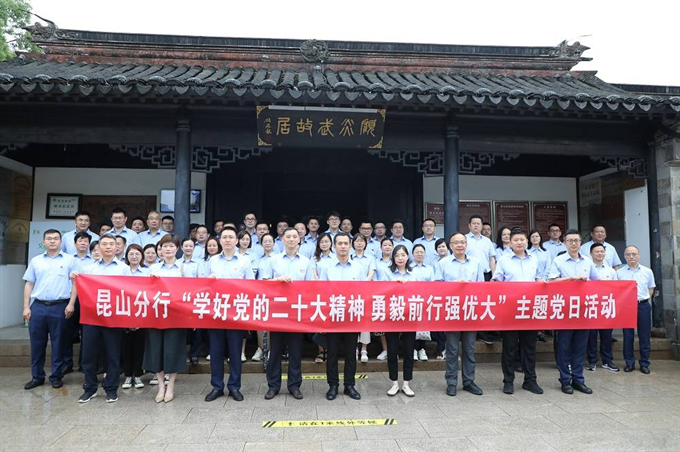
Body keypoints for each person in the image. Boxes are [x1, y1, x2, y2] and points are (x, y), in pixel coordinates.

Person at [71, 233, 131, 403]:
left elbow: (130, 291)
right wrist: (74, 280)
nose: (108, 247)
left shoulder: (123, 269)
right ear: (98, 247)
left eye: (112, 244)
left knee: (112, 354)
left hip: (114, 317)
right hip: (92, 317)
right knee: (88, 355)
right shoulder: (89, 269)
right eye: (104, 244)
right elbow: (81, 290)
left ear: (117, 247)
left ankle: (111, 389)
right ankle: (90, 388)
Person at [260, 227, 313, 400]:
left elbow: (311, 287)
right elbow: (263, 283)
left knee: (295, 351)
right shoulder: (273, 260)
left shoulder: (306, 261)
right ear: (282, 239)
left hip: (297, 312)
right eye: (288, 236)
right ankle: (273, 386)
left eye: (294, 236)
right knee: (275, 351)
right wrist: (277, 281)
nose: (291, 239)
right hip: (277, 312)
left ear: (299, 240)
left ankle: (294, 386)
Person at [204, 226, 255, 402]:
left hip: (236, 312)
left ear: (236, 240)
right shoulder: (212, 261)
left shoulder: (244, 261)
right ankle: (217, 386)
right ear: (220, 240)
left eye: (230, 237)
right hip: (216, 312)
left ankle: (234, 386)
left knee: (235, 352)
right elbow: (203, 285)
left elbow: (251, 286)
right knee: (216, 352)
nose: (227, 240)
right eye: (224, 237)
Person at [22, 229, 76, 391]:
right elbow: (29, 283)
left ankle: (56, 376)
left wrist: (71, 304)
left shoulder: (70, 260)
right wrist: (26, 307)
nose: (52, 241)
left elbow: (76, 284)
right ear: (43, 242)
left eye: (55, 238)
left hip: (60, 306)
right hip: (38, 306)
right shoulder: (36, 261)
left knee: (59, 343)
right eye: (49, 239)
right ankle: (37, 376)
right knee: (37, 344)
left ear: (61, 242)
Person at [492, 229, 544, 395]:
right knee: (510, 347)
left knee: (529, 347)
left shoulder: (534, 259)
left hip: (529, 309)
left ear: (527, 241)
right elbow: (496, 281)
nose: (519, 242)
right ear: (510, 243)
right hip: (510, 310)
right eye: (516, 240)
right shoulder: (504, 260)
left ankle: (530, 380)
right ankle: (508, 381)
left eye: (522, 239)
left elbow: (539, 278)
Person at [549, 229, 600, 395]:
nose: (573, 243)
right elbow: (551, 282)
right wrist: (572, 279)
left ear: (580, 243)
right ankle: (565, 380)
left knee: (580, 347)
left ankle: (578, 379)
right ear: (564, 243)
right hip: (564, 309)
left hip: (583, 310)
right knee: (563, 347)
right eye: (570, 240)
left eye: (576, 240)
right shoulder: (558, 261)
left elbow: (597, 282)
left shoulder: (587, 261)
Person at [319, 232, 367, 401]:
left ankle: (349, 385)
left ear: (350, 245)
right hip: (333, 316)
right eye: (339, 243)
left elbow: (364, 292)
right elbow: (322, 292)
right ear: (334, 246)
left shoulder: (358, 268)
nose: (343, 246)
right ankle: (332, 385)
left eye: (346, 243)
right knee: (332, 353)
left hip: (352, 316)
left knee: (350, 353)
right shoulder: (327, 267)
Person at [437, 232, 485, 397]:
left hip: (470, 310)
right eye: (456, 243)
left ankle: (469, 381)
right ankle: (451, 382)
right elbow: (436, 286)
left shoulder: (476, 262)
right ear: (450, 246)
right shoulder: (443, 263)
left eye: (462, 242)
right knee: (451, 349)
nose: (459, 245)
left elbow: (482, 286)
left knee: (469, 348)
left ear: (466, 244)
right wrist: (453, 285)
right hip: (452, 311)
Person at [144, 234, 189, 403]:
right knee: (156, 350)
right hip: (156, 315)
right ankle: (161, 385)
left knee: (173, 350)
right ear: (160, 249)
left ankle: (171, 385)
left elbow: (190, 291)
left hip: (176, 316)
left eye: (171, 246)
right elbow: (143, 291)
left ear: (177, 248)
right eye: (165, 246)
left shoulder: (183, 268)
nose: (168, 249)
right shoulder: (153, 268)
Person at [381, 245, 420, 397]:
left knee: (409, 351)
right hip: (392, 315)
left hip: (410, 316)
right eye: (397, 255)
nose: (400, 258)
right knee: (392, 351)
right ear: (393, 257)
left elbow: (420, 291)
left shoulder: (414, 272)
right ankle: (394, 383)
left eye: (403, 255)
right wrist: (393, 285)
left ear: (408, 256)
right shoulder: (387, 272)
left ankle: (406, 384)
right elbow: (380, 291)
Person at [617, 245, 656, 374]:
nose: (631, 256)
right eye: (628, 254)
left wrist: (643, 299)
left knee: (644, 335)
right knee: (628, 335)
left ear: (639, 255)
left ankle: (644, 363)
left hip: (642, 305)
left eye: (634, 254)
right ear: (624, 256)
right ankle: (629, 363)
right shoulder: (619, 273)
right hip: (626, 307)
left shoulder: (647, 271)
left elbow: (651, 289)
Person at [62, 231, 94, 375]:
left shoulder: (94, 260)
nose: (83, 243)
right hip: (70, 299)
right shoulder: (67, 260)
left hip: (88, 300)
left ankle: (83, 363)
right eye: (80, 241)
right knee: (68, 332)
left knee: (86, 332)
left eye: (85, 241)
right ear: (74, 244)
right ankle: (67, 363)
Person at [586, 243, 620, 373]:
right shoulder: (587, 269)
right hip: (591, 305)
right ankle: (592, 360)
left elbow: (616, 288)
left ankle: (607, 360)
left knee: (606, 335)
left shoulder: (611, 271)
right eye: (597, 251)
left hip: (606, 306)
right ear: (591, 254)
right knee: (591, 335)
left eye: (602, 251)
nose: (600, 254)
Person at [121, 244, 148, 390]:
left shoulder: (147, 272)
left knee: (139, 346)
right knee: (126, 347)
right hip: (124, 312)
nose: (134, 257)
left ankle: (137, 375)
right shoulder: (122, 271)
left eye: (137, 254)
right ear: (126, 256)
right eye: (131, 254)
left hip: (141, 313)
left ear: (142, 256)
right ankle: (127, 375)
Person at [411, 244, 440, 361]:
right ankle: (413, 349)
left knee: (423, 325)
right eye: (417, 252)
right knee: (412, 325)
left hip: (425, 300)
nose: (419, 254)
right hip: (412, 299)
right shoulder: (409, 267)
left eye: (421, 252)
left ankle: (422, 349)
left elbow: (432, 284)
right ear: (412, 254)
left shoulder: (429, 268)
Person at [351, 234, 377, 363]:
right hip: (351, 293)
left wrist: (363, 283)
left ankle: (364, 349)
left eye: (362, 241)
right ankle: (355, 348)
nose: (359, 243)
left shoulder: (370, 258)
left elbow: (371, 273)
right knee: (354, 320)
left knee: (365, 320)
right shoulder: (349, 257)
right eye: (357, 241)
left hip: (366, 292)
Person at [465, 215, 496, 280]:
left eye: (478, 224)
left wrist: (494, 276)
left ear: (481, 226)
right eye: (474, 223)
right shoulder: (464, 239)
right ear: (469, 226)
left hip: (486, 274)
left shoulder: (487, 241)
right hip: (469, 274)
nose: (476, 225)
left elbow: (492, 259)